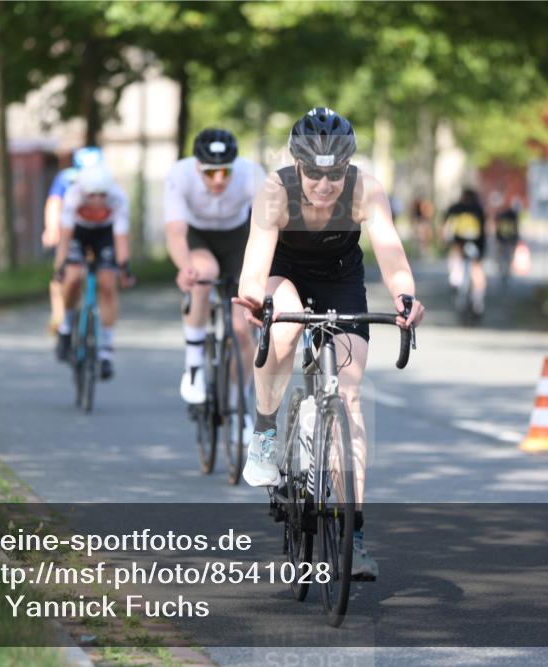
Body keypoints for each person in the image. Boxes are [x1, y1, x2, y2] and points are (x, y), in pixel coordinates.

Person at [233, 107, 425, 580]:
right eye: (314, 173)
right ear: (297, 165)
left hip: (341, 280)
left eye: (334, 174)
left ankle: (352, 536)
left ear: (347, 168)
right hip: (285, 276)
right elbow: (255, 268)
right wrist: (257, 301)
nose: (324, 184)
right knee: (286, 327)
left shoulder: (366, 190)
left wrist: (406, 298)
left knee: (350, 398)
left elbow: (391, 252)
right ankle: (264, 429)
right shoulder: (275, 192)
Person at [165, 128, 265, 415]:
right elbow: (175, 231)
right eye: (210, 173)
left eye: (225, 171)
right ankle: (194, 365)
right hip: (198, 236)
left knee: (241, 330)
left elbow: (267, 227)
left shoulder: (251, 174)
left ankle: (238, 400)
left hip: (238, 237)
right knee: (203, 274)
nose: (219, 179)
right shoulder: (180, 174)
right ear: (197, 166)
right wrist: (185, 268)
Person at [53, 162, 133, 380]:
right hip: (78, 233)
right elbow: (65, 236)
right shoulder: (72, 196)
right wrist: (59, 267)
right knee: (71, 279)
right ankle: (66, 329)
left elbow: (121, 238)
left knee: (107, 284)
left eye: (102, 195)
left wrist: (124, 267)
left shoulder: (118, 197)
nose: (97, 200)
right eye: (92, 196)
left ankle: (106, 351)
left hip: (105, 234)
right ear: (83, 191)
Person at [43, 147, 104, 333]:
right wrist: (51, 228)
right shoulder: (66, 178)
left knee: (100, 271)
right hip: (70, 229)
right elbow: (54, 203)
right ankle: (59, 314)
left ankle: (93, 306)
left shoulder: (105, 179)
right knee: (63, 273)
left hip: (97, 229)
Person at [442, 188, 487, 315]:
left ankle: (456, 280)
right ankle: (478, 301)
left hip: (459, 243)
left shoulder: (455, 208)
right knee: (477, 270)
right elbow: (484, 231)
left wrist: (445, 241)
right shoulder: (478, 209)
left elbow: (446, 225)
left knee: (456, 258)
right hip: (475, 244)